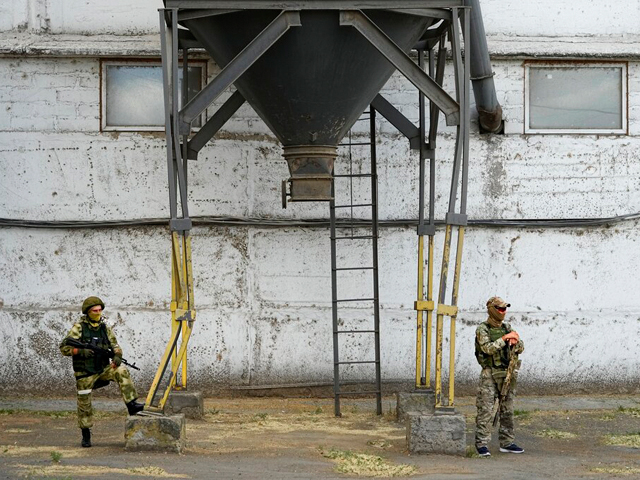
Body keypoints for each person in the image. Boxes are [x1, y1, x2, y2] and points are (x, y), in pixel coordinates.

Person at [60, 296, 144, 448]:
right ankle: (86, 433)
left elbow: (115, 345)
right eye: (94, 311)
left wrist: (117, 356)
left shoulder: (105, 327)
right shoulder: (79, 327)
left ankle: (132, 405)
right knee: (84, 404)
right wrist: (80, 351)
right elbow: (64, 348)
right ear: (88, 311)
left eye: (100, 310)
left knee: (122, 370)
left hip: (103, 369)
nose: (98, 313)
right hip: (85, 373)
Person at [474, 296, 524, 456]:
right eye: (500, 308)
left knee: (507, 409)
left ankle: (507, 442)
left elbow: (521, 347)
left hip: (507, 373)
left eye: (504, 309)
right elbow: (487, 349)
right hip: (489, 373)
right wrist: (504, 340)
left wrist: (515, 341)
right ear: (491, 309)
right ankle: (481, 444)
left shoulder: (507, 327)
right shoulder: (483, 329)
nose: (503, 312)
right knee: (486, 410)